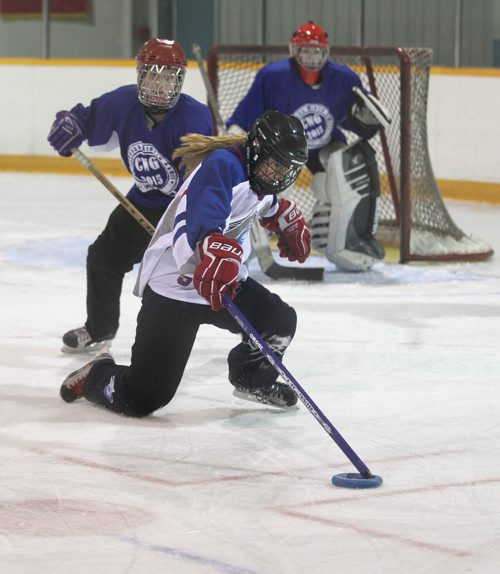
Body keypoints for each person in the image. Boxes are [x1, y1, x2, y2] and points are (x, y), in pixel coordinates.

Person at [59, 110, 310, 414]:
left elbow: (261, 201)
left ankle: (252, 378)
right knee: (141, 399)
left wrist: (283, 215)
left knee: (278, 321)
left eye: (286, 170)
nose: (279, 176)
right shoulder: (222, 166)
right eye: (275, 166)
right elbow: (205, 212)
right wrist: (210, 244)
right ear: (257, 151)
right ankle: (96, 374)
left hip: (222, 280)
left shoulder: (257, 173)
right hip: (175, 287)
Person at [47, 38, 214, 353]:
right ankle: (100, 328)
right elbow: (85, 118)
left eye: (168, 76)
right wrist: (71, 125)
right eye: (152, 73)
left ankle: (232, 332)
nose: (159, 83)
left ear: (179, 81)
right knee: (102, 258)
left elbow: (204, 179)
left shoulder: (195, 117)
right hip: (144, 200)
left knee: (181, 278)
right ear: (140, 74)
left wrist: (187, 228)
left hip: (184, 208)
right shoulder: (123, 103)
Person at [226, 21, 391, 272]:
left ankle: (342, 244)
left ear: (326, 52)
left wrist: (367, 121)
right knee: (271, 193)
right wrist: (235, 137)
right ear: (294, 51)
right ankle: (242, 245)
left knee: (339, 180)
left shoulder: (344, 79)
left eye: (317, 52)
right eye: (306, 51)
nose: (312, 58)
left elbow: (359, 124)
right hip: (281, 149)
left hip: (325, 145)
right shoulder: (273, 75)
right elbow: (242, 119)